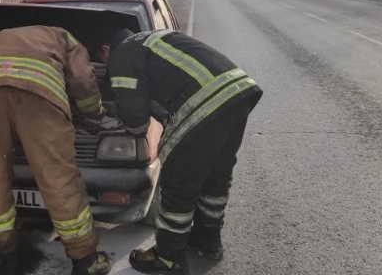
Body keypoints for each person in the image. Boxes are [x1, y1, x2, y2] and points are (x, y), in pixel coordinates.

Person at [95, 29, 263, 274]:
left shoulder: (122, 53)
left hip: (205, 103)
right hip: (236, 93)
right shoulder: (150, 40)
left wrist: (117, 114)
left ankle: (168, 257)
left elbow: (136, 123)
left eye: (103, 62)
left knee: (178, 184)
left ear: (106, 49)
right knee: (216, 179)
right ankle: (208, 241)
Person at [0, 25, 112, 275]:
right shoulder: (65, 37)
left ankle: (6, 257)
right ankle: (85, 260)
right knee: (58, 179)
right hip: (39, 98)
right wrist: (94, 111)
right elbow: (83, 80)